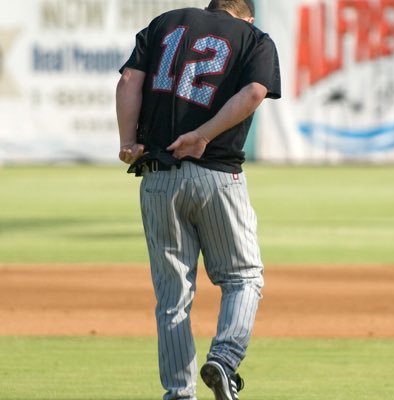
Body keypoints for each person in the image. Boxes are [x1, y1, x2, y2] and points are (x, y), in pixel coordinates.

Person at [116, 1, 281, 399]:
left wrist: (126, 141)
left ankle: (179, 393)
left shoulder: (164, 23)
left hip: (156, 176)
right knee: (242, 277)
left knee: (172, 298)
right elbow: (255, 92)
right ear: (246, 14)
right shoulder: (254, 37)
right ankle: (224, 360)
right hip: (217, 174)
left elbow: (128, 82)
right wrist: (204, 135)